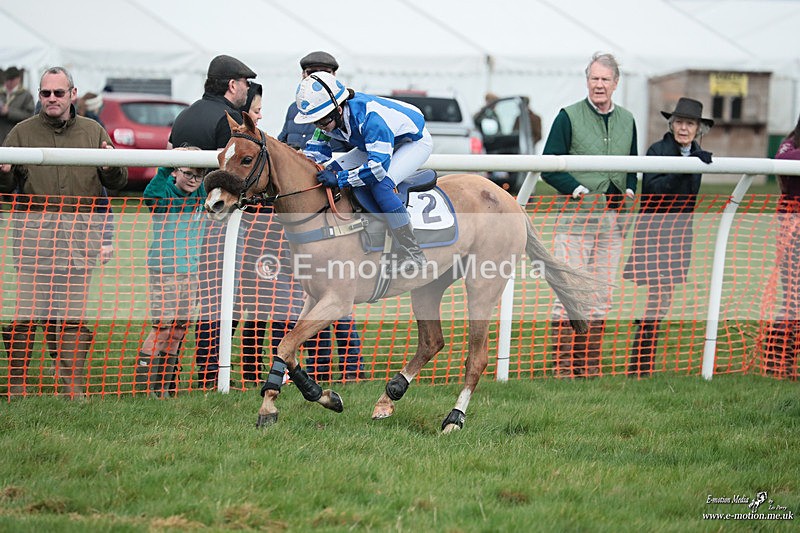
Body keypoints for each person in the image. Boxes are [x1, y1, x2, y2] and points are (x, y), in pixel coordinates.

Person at [0, 66, 128, 399]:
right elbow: (5, 186)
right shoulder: (20, 132)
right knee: (25, 320)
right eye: (46, 93)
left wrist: (110, 166)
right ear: (39, 95)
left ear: (73, 93)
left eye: (59, 92)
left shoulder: (93, 130)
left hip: (78, 247)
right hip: (33, 246)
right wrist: (4, 174)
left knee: (73, 319)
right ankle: (16, 384)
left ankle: (73, 384)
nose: (52, 99)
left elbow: (117, 181)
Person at [541, 52, 638, 379]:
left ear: (616, 83)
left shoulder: (628, 120)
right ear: (587, 81)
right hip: (575, 219)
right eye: (594, 78)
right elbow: (548, 167)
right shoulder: (567, 117)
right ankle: (562, 366)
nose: (599, 85)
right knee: (569, 290)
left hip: (613, 220)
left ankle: (589, 366)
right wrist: (577, 190)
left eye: (605, 79)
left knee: (602, 293)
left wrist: (629, 190)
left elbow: (634, 167)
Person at [236, 82, 336, 383]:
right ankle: (255, 373)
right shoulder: (295, 113)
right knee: (266, 305)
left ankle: (328, 371)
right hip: (277, 231)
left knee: (319, 306)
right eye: (257, 111)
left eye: (260, 110)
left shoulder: (338, 115)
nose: (261, 115)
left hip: (318, 228)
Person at [275, 52, 365, 380]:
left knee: (339, 301)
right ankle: (322, 371)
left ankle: (354, 372)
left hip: (342, 210)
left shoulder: (350, 110)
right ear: (301, 75)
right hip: (309, 221)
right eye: (310, 73)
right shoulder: (295, 112)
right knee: (316, 300)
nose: (315, 78)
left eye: (323, 73)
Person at [168, 54, 256, 390]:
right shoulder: (231, 119)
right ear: (233, 84)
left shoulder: (184, 115)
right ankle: (211, 376)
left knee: (191, 309)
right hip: (219, 227)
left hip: (183, 229)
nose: (247, 90)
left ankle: (172, 379)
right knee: (225, 307)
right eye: (245, 83)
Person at [297, 72, 433, 273]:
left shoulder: (370, 119)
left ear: (337, 109)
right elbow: (315, 153)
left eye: (322, 121)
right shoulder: (328, 118)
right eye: (315, 122)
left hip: (412, 142)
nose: (320, 127)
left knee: (381, 185)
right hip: (374, 142)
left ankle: (412, 252)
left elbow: (377, 169)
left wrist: (340, 179)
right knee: (330, 169)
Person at [621, 97, 713, 377]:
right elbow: (653, 188)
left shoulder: (698, 153)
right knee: (654, 302)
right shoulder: (657, 150)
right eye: (680, 123)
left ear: (699, 128)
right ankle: (639, 366)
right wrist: (684, 167)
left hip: (679, 239)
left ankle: (642, 366)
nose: (684, 128)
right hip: (654, 237)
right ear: (672, 124)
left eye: (690, 124)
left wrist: (694, 164)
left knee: (660, 303)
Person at [139, 150, 207, 397]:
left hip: (191, 272)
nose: (193, 180)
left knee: (179, 330)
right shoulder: (163, 190)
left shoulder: (200, 193)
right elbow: (151, 193)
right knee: (162, 328)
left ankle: (164, 388)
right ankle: (145, 389)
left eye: (198, 176)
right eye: (188, 173)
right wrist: (168, 165)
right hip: (165, 270)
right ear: (175, 171)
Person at [764, 113, 800, 377]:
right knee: (791, 300)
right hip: (792, 233)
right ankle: (776, 359)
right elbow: (781, 161)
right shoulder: (790, 143)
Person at [277, 51, 349, 152]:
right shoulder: (294, 109)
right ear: (303, 74)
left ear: (334, 75)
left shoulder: (347, 108)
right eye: (312, 72)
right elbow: (281, 142)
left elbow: (358, 151)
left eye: (325, 72)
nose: (318, 77)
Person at [0, 66, 36, 144]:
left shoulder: (26, 95)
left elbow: (29, 116)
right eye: (7, 79)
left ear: (18, 79)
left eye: (11, 80)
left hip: (16, 137)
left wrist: (9, 112)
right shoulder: (1, 93)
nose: (8, 82)